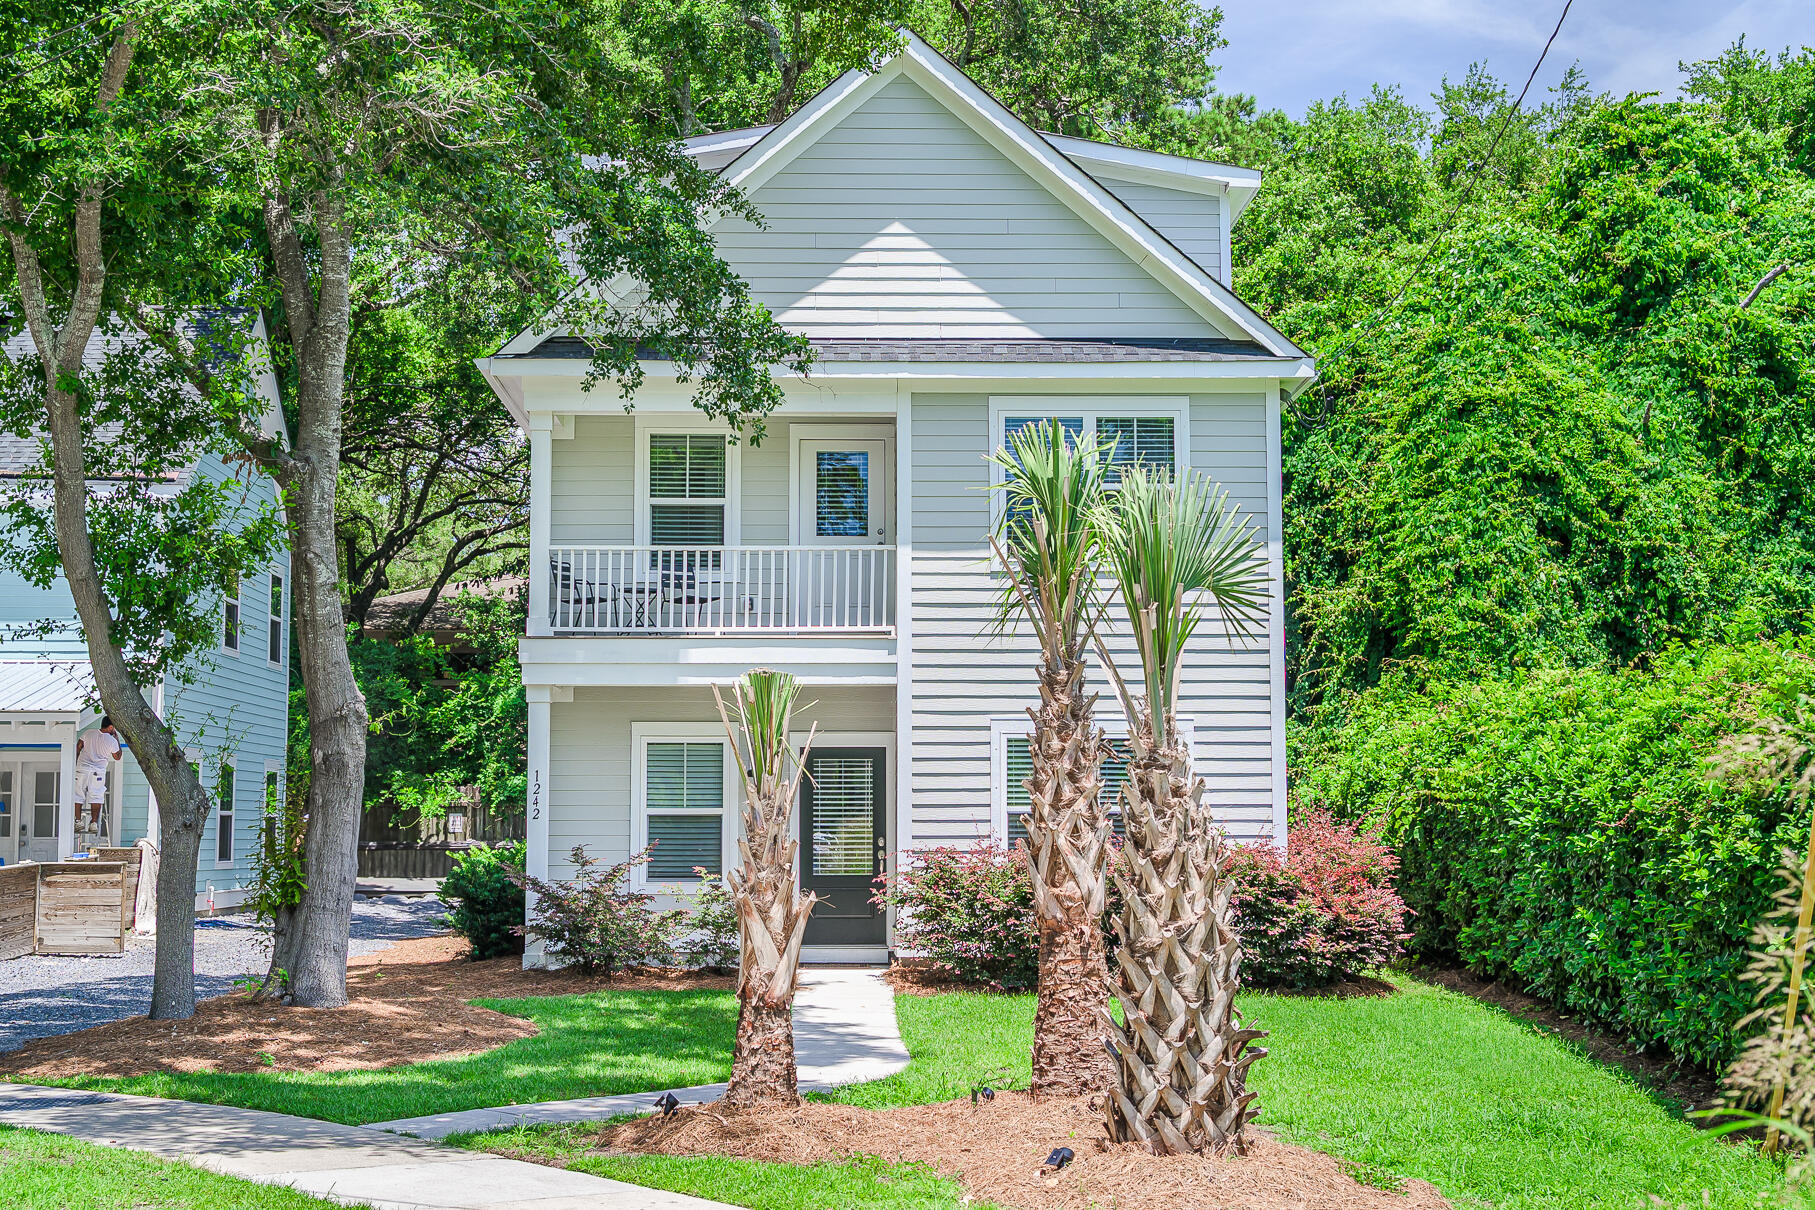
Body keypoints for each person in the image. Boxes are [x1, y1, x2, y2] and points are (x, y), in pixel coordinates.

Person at [74, 716, 122, 848]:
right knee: (96, 795)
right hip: (98, 771)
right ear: (111, 727)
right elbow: (117, 756)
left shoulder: (88, 733)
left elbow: (78, 746)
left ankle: (78, 821)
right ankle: (93, 823)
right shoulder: (111, 740)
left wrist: (76, 762)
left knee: (77, 794)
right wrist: (116, 738)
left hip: (82, 768)